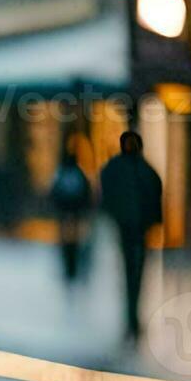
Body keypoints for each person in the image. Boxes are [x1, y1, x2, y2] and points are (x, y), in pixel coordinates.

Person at [98, 131, 165, 340]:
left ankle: (132, 318)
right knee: (131, 273)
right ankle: (130, 318)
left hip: (136, 229)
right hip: (129, 228)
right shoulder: (135, 170)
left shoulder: (134, 170)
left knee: (134, 274)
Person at [49, 138, 93, 284]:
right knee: (73, 240)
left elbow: (54, 192)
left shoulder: (61, 173)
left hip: (67, 213)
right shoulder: (79, 173)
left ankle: (69, 267)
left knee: (66, 240)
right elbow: (86, 193)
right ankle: (72, 267)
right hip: (74, 213)